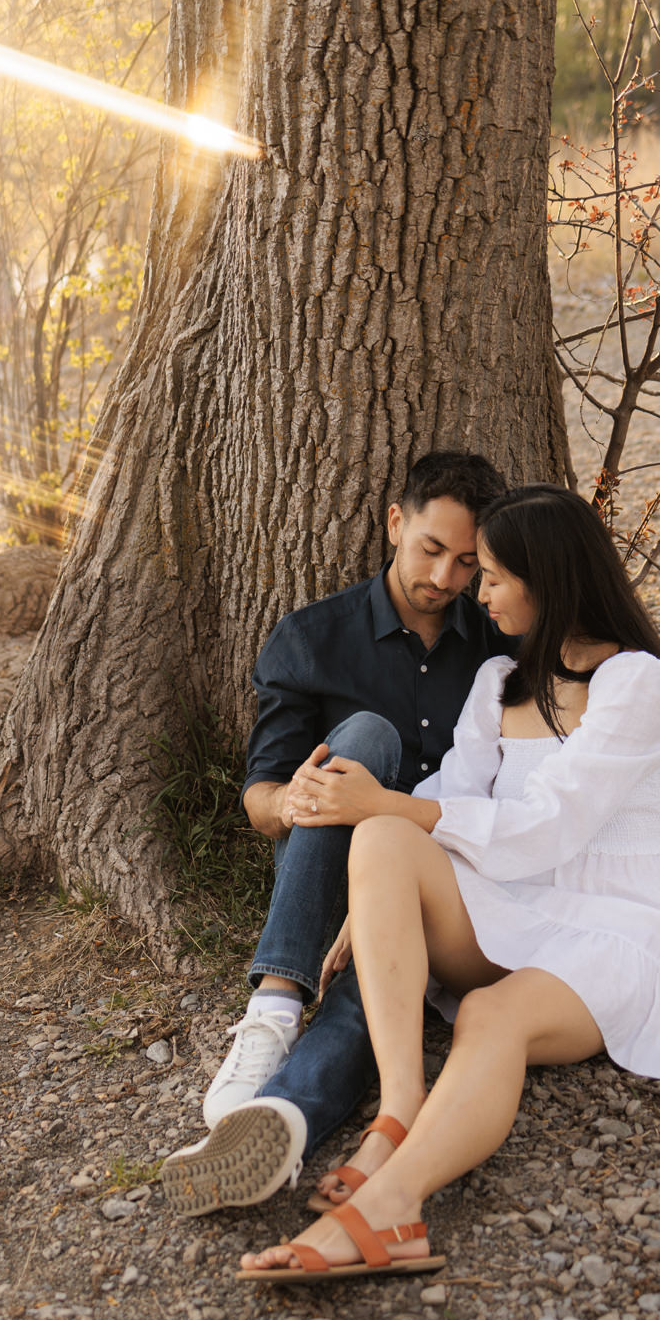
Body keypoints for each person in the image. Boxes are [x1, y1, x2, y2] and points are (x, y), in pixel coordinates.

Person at [235, 483, 660, 1283]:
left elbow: (551, 827)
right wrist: (376, 888)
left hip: (614, 930)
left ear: (547, 575)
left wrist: (385, 807)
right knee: (386, 835)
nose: (475, 590)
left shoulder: (637, 684)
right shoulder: (499, 679)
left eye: (491, 574)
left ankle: (395, 1203)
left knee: (491, 1011)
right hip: (511, 909)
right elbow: (446, 801)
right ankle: (398, 1111)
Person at [161, 451, 516, 1217]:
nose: (447, 578)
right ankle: (277, 1003)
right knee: (365, 736)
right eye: (431, 549)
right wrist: (302, 800)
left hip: (430, 880)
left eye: (466, 562)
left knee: (373, 1002)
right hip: (324, 868)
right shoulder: (312, 636)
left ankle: (281, 1122)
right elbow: (259, 795)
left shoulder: (496, 650)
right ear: (395, 522)